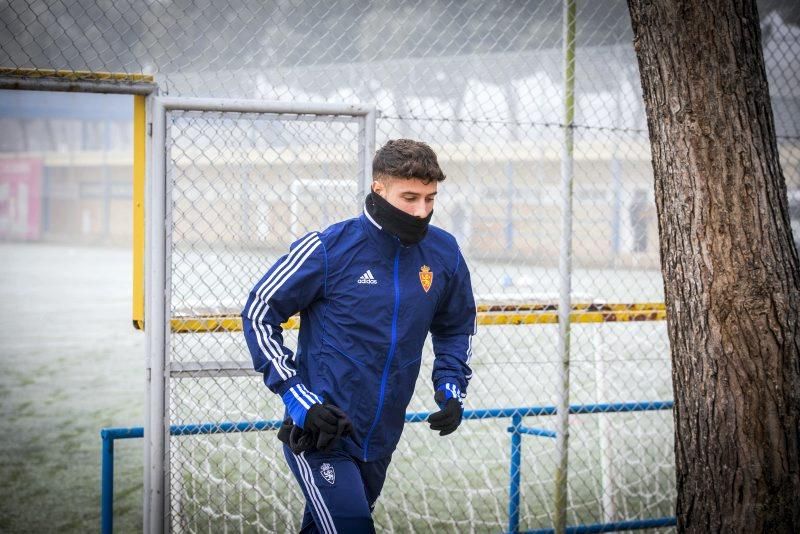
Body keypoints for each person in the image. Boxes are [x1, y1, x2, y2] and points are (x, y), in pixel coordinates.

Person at [241, 139, 476, 533]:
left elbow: (456, 325)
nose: (423, 212)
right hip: (320, 432)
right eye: (410, 198)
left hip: (381, 436)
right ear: (379, 188)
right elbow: (260, 311)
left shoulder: (444, 252)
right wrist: (299, 399)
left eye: (431, 199)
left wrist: (451, 386)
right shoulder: (330, 248)